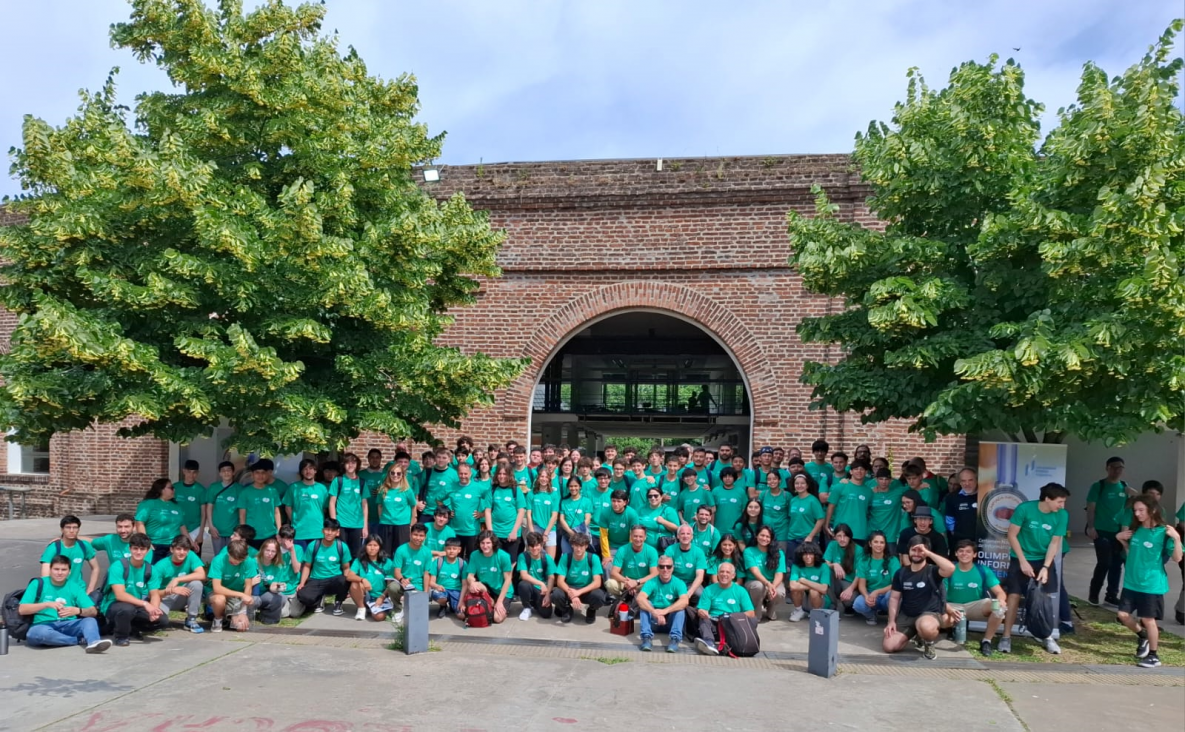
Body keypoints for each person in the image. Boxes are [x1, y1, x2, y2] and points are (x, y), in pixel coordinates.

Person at [1000, 482, 1070, 655]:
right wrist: (1023, 561)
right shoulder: (1025, 509)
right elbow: (1012, 535)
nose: (1062, 505)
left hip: (1043, 560)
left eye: (1063, 502)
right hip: (1020, 558)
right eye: (1059, 501)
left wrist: (1046, 567)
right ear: (1047, 499)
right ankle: (1006, 637)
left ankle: (1046, 635)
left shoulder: (1062, 515)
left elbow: (1055, 543)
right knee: (1014, 597)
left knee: (1044, 599)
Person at [1115, 496, 1183, 668]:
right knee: (1123, 615)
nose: (1137, 514)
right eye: (1135, 510)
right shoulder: (1136, 530)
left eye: (1141, 510)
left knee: (1148, 619)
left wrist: (1176, 539)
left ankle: (1153, 655)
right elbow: (1134, 553)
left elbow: (1177, 558)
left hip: (1151, 584)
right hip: (1131, 582)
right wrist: (1121, 539)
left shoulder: (1164, 532)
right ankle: (1142, 636)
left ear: (1152, 510)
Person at [883, 534, 956, 660]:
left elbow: (950, 568)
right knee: (889, 646)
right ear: (909, 551)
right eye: (914, 550)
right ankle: (915, 634)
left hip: (929, 614)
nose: (917, 553)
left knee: (926, 627)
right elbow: (894, 598)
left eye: (920, 550)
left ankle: (928, 642)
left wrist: (928, 552)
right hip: (907, 615)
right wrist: (891, 622)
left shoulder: (933, 571)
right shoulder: (901, 573)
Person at [19, 556, 110, 653]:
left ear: (69, 572)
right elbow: (22, 609)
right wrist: (46, 604)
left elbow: (93, 611)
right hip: (43, 625)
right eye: (56, 569)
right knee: (38, 633)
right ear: (50, 570)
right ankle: (77, 640)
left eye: (63, 570)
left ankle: (94, 642)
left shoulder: (74, 586)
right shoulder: (38, 583)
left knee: (89, 621)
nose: (59, 573)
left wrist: (78, 610)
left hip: (69, 624)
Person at [100, 532, 170, 646]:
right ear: (129, 549)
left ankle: (131, 627)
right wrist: (145, 604)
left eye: (142, 549)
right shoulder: (118, 566)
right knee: (127, 609)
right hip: (114, 604)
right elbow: (120, 595)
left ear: (147, 551)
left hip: (136, 604)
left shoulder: (150, 569)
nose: (138, 552)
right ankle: (121, 636)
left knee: (162, 620)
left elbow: (155, 594)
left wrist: (154, 610)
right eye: (135, 548)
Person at [1085, 456, 1135, 606]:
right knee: (1104, 562)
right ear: (1107, 468)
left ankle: (1111, 595)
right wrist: (1091, 527)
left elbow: (1128, 507)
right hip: (1101, 530)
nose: (1117, 470)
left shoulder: (1125, 486)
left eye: (1120, 467)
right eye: (1114, 467)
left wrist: (1134, 494)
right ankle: (1094, 593)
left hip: (1118, 531)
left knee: (1117, 564)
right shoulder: (1098, 486)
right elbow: (1091, 508)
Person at [944, 539, 1007, 656]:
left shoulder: (983, 570)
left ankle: (986, 641)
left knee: (998, 608)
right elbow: (941, 595)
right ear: (956, 553)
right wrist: (949, 609)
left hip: (975, 606)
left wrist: (1001, 600)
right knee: (935, 611)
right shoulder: (949, 570)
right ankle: (933, 636)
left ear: (974, 554)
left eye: (968, 551)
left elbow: (1000, 592)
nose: (964, 554)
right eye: (961, 551)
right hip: (953, 606)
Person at [693, 561, 755, 656]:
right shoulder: (709, 589)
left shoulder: (741, 591)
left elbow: (751, 613)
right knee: (703, 619)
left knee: (753, 621)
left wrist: (731, 616)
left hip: (733, 625)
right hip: (715, 622)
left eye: (727, 572)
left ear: (733, 576)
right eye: (721, 572)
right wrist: (702, 612)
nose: (724, 574)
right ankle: (709, 643)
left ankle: (733, 641)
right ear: (718, 574)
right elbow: (702, 609)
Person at [148, 535, 207, 634]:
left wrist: (177, 579)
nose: (182, 552)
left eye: (185, 549)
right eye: (178, 549)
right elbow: (152, 594)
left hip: (183, 595)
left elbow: (202, 575)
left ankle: (191, 619)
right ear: (172, 549)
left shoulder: (191, 555)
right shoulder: (161, 566)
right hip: (164, 598)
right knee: (157, 621)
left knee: (197, 584)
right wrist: (171, 590)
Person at [296, 518, 352, 617]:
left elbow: (346, 568)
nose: (329, 533)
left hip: (334, 579)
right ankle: (319, 599)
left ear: (337, 532)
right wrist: (302, 583)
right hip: (316, 579)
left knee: (345, 579)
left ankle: (338, 602)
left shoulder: (342, 547)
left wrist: (346, 587)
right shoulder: (313, 545)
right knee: (303, 596)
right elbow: (307, 566)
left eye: (333, 530)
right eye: (327, 529)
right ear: (323, 531)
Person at [637, 557, 690, 652]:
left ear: (673, 568)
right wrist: (654, 612)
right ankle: (646, 637)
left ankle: (675, 639)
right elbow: (640, 598)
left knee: (680, 609)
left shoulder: (679, 583)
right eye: (662, 566)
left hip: (669, 621)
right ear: (657, 568)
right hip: (654, 620)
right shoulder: (651, 582)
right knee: (645, 603)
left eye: (668, 566)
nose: (665, 569)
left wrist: (665, 611)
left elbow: (685, 601)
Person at [551, 532, 606, 623]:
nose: (578, 549)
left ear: (586, 546)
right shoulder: (566, 558)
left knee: (599, 596)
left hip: (586, 589)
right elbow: (560, 581)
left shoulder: (593, 558)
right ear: (572, 545)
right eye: (576, 545)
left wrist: (578, 592)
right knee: (556, 594)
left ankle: (592, 610)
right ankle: (566, 609)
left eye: (581, 546)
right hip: (569, 588)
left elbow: (597, 582)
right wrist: (572, 594)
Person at [208, 538, 259, 632]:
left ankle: (231, 617)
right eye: (234, 559)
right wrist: (241, 595)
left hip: (238, 596)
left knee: (241, 627)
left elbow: (248, 586)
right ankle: (218, 619)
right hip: (221, 593)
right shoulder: (218, 560)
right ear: (228, 554)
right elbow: (217, 588)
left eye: (241, 560)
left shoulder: (250, 561)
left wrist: (243, 610)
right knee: (219, 600)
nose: (237, 562)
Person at [40, 515, 99, 596]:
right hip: (58, 590)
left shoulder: (84, 546)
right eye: (68, 527)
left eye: (75, 527)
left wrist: (90, 589)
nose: (72, 530)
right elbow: (45, 575)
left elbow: (95, 568)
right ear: (62, 529)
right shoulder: (54, 547)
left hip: (78, 589)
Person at [465, 530, 514, 623]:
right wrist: (472, 583)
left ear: (493, 543)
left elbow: (508, 580)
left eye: (488, 543)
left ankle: (496, 605)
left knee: (497, 619)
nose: (485, 546)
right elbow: (470, 576)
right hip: (487, 588)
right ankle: (490, 602)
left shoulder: (503, 556)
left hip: (502, 590)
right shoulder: (475, 555)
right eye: (482, 543)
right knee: (474, 585)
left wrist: (500, 602)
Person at [256, 533, 305, 623]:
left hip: (267, 594)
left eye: (273, 551)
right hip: (252, 594)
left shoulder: (278, 566)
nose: (270, 554)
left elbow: (272, 586)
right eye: (267, 550)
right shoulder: (253, 562)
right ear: (262, 550)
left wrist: (278, 587)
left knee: (284, 604)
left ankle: (266, 616)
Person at [346, 534, 396, 622]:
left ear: (380, 547)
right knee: (354, 583)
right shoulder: (359, 560)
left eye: (375, 545)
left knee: (379, 617)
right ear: (365, 546)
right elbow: (349, 576)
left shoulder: (387, 562)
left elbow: (391, 582)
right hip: (366, 595)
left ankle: (379, 609)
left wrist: (382, 597)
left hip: (381, 596)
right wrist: (363, 579)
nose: (372, 548)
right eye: (369, 545)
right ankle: (361, 608)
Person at [136, 479, 188, 562]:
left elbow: (182, 526)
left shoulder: (176, 506)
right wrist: (146, 542)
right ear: (161, 490)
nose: (174, 490)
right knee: (153, 571)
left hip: (173, 546)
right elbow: (139, 522)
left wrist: (190, 542)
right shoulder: (148, 504)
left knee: (170, 572)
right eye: (171, 488)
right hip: (154, 545)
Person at [390, 522, 433, 623]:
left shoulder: (427, 552)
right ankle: (398, 609)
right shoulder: (401, 550)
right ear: (410, 534)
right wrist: (402, 579)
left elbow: (426, 574)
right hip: (402, 582)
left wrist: (425, 593)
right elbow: (397, 571)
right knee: (392, 587)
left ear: (425, 537)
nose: (418, 538)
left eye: (421, 535)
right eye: (415, 534)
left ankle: (409, 604)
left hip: (418, 584)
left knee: (416, 615)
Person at [445, 461, 490, 559]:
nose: (463, 476)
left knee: (472, 558)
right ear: (457, 474)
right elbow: (438, 500)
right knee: (455, 558)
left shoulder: (478, 487)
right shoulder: (452, 486)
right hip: (455, 530)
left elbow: (491, 501)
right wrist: (447, 512)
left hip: (472, 531)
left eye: (465, 473)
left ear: (470, 474)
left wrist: (482, 514)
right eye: (461, 473)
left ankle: (470, 574)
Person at [853, 531, 900, 625]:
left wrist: (878, 592)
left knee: (893, 595)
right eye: (876, 542)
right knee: (858, 604)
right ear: (870, 543)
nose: (879, 545)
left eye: (882, 542)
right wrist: (866, 596)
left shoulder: (893, 560)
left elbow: (895, 584)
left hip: (886, 593)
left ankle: (891, 619)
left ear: (885, 545)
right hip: (871, 594)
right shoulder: (864, 560)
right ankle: (871, 616)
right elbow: (861, 585)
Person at [328, 452, 368, 558]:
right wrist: (334, 524)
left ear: (357, 465)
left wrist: (365, 526)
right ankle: (342, 574)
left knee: (356, 553)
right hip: (341, 523)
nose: (350, 465)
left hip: (357, 524)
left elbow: (364, 505)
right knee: (341, 551)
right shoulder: (338, 481)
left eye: (353, 462)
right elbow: (332, 502)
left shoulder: (362, 482)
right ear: (343, 465)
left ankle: (353, 573)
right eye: (347, 463)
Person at [285, 458, 331, 550]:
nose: (308, 471)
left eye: (311, 469)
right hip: (299, 531)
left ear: (315, 471)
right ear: (301, 472)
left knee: (316, 561)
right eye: (305, 469)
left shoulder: (322, 488)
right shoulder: (294, 487)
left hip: (318, 531)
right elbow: (288, 507)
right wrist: (294, 520)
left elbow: (326, 508)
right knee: (300, 561)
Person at [743, 526, 786, 621]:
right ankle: (756, 611)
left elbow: (779, 574)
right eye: (762, 535)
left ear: (771, 539)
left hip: (772, 583)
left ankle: (771, 607)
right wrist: (767, 584)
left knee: (779, 593)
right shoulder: (749, 551)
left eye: (768, 536)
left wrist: (773, 587)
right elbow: (755, 571)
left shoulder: (779, 553)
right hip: (754, 582)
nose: (764, 538)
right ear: (756, 536)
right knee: (758, 586)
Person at [607, 526, 659, 602]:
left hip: (642, 583)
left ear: (645, 537)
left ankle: (642, 598)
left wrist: (636, 582)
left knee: (654, 584)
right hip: (626, 582)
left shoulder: (652, 551)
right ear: (630, 536)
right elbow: (613, 573)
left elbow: (654, 574)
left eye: (641, 536)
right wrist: (628, 583)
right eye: (635, 536)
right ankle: (622, 599)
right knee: (610, 583)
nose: (638, 539)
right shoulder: (622, 549)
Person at [826, 459, 873, 545]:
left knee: (857, 558)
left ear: (866, 472)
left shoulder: (869, 492)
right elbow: (831, 507)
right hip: (841, 532)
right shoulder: (840, 486)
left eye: (862, 469)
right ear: (851, 471)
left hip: (860, 532)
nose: (859, 471)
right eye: (856, 469)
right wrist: (826, 525)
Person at [238, 460, 283, 548]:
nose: (260, 476)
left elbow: (276, 512)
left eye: (263, 473)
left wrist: (279, 530)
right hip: (251, 534)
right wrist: (243, 533)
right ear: (252, 474)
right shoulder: (245, 492)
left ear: (267, 474)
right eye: (257, 473)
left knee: (269, 559)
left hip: (270, 533)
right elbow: (242, 515)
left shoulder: (272, 491)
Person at [375, 462, 417, 554]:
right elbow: (380, 505)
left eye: (398, 473)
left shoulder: (407, 490)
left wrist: (411, 523)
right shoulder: (383, 490)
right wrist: (382, 519)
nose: (395, 475)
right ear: (389, 474)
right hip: (385, 524)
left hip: (402, 525)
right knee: (385, 552)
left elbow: (413, 506)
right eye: (392, 473)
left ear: (402, 475)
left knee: (401, 552)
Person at [490, 465, 527, 566]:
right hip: (496, 532)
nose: (502, 476)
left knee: (511, 562)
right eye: (500, 474)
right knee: (496, 560)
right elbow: (488, 511)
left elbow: (521, 511)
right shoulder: (493, 490)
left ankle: (508, 581)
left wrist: (514, 531)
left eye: (504, 474)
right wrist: (490, 531)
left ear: (509, 475)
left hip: (511, 533)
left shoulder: (516, 490)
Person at [515, 531, 556, 620]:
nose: (534, 548)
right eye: (532, 546)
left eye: (537, 545)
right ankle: (527, 607)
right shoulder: (523, 556)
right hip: (530, 586)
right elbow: (524, 575)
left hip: (542, 590)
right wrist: (541, 583)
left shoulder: (547, 558)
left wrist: (548, 594)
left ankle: (536, 603)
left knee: (546, 614)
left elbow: (551, 577)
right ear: (528, 546)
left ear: (541, 545)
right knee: (523, 584)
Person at [824, 524, 864, 611]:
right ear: (835, 537)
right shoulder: (832, 545)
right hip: (837, 580)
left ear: (850, 537)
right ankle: (832, 605)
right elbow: (825, 563)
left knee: (848, 601)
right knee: (825, 570)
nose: (842, 539)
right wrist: (834, 565)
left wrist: (850, 589)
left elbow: (860, 573)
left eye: (845, 536)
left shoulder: (858, 549)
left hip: (852, 582)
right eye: (839, 536)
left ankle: (850, 605)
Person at [788, 541, 830, 621]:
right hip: (803, 600)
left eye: (811, 554)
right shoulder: (796, 566)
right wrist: (816, 586)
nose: (808, 557)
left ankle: (816, 612)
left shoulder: (823, 566)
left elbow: (824, 589)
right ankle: (798, 611)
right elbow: (793, 586)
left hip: (820, 600)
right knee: (796, 590)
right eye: (805, 554)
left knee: (814, 591)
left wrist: (804, 581)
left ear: (815, 555)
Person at [786, 473, 824, 560]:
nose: (799, 485)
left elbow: (820, 519)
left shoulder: (813, 500)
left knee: (807, 564)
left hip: (807, 538)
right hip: (792, 538)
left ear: (807, 485)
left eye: (802, 483)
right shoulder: (793, 500)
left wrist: (810, 536)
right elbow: (791, 518)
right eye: (797, 483)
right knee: (792, 564)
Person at [206, 461, 241, 556]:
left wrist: (240, 530)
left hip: (233, 531)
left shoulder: (240, 489)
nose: (226, 473)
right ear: (220, 473)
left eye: (229, 470)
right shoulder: (214, 487)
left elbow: (242, 511)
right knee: (218, 556)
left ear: (233, 472)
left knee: (233, 556)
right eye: (223, 471)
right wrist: (211, 526)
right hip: (217, 530)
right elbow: (209, 507)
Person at [173, 459, 207, 553]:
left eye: (194, 472)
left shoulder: (201, 490)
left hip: (194, 530)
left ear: (198, 473)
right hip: (177, 529)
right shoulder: (175, 487)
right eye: (188, 472)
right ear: (184, 471)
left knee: (194, 558)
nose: (191, 475)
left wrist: (200, 533)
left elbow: (204, 514)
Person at [428, 537, 467, 619]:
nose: (451, 551)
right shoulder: (438, 561)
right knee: (441, 598)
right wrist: (437, 586)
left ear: (459, 550)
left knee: (461, 616)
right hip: (442, 590)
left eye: (454, 549)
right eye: (449, 548)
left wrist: (461, 602)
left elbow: (464, 585)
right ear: (445, 549)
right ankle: (443, 606)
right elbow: (431, 582)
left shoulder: (462, 563)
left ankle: (454, 606)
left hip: (456, 591)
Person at [944, 468, 980, 551]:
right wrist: (955, 533)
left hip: (981, 541)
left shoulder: (983, 495)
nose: (967, 484)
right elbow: (949, 519)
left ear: (976, 480)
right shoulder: (952, 497)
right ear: (959, 482)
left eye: (970, 480)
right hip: (960, 541)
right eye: (963, 481)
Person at [526, 472, 560, 559]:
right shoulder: (532, 493)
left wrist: (545, 534)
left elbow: (554, 515)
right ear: (538, 478)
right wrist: (532, 532)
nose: (544, 479)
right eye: (542, 476)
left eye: (546, 477)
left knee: (550, 560)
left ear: (549, 479)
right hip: (536, 528)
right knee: (533, 557)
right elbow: (529, 514)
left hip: (550, 530)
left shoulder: (554, 494)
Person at [557, 475, 593, 556]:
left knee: (582, 557)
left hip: (582, 535)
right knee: (567, 557)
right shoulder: (564, 502)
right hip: (567, 535)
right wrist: (570, 532)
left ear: (580, 487)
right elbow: (562, 519)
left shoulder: (586, 501)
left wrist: (578, 532)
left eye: (576, 486)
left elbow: (587, 519)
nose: (573, 488)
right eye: (571, 486)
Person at [711, 467, 747, 531]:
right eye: (725, 476)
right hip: (719, 529)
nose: (727, 479)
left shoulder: (741, 492)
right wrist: (712, 528)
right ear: (722, 478)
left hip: (736, 530)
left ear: (734, 477)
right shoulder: (715, 491)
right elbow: (712, 512)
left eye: (730, 476)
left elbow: (744, 511)